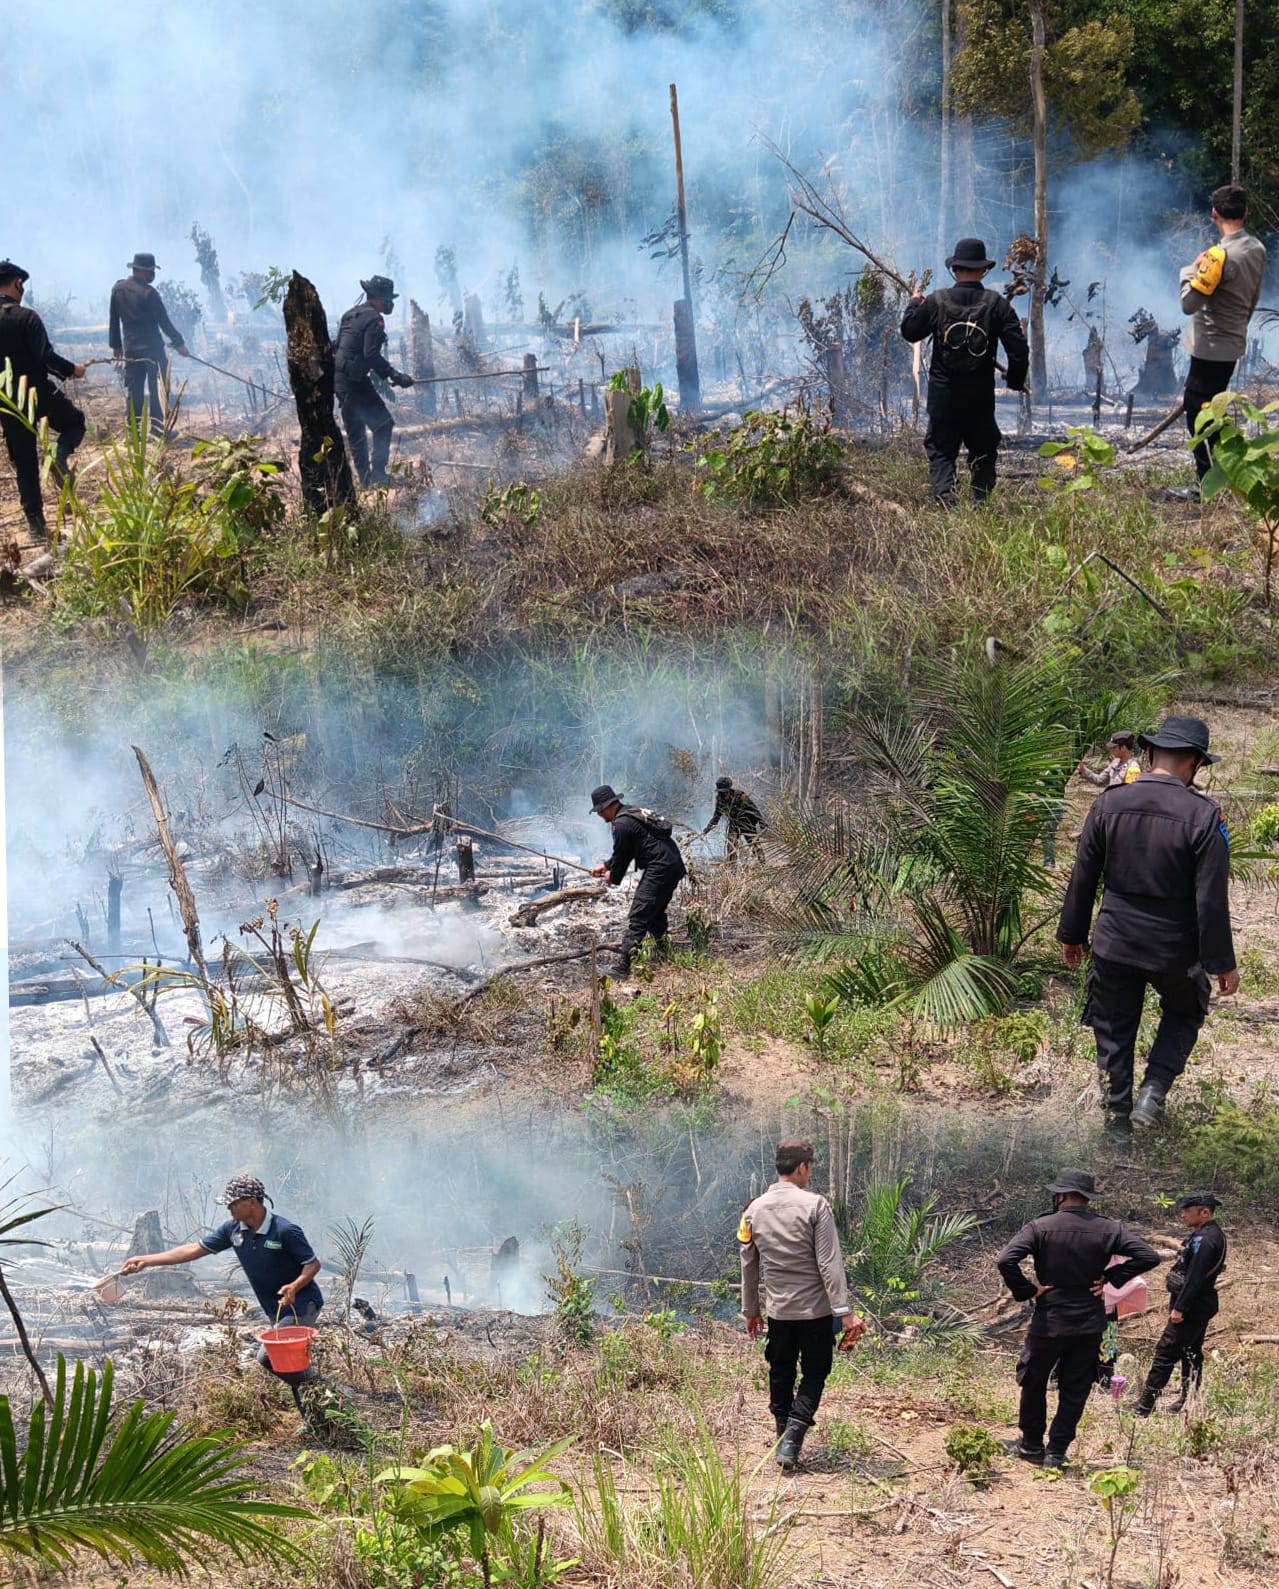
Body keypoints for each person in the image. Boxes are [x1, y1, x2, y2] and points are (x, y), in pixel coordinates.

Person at [1057, 715, 1239, 1136]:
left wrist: (1072, 936)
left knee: (1114, 1030)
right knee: (1185, 1009)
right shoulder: (1206, 817)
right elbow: (1211, 900)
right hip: (1174, 951)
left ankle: (1117, 1124)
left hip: (1115, 943)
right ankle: (1152, 1094)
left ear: (1152, 753)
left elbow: (1082, 877)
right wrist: (1221, 963)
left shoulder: (1108, 804)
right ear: (1195, 763)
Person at [996, 1169, 1159, 1468]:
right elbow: (1149, 1256)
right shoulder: (1110, 1229)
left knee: (1033, 1380)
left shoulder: (1039, 1226)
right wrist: (1110, 1278)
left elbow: (1005, 1260)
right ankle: (1057, 1452)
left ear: (1060, 1195)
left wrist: (1028, 1290)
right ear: (1087, 1198)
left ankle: (1032, 1445)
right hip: (1089, 1321)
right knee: (1076, 1387)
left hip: (1050, 1319)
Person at [120, 1173, 323, 1409]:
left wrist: (294, 1286)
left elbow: (312, 1263)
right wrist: (147, 1260)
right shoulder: (233, 1230)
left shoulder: (285, 1230)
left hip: (300, 1304)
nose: (229, 1208)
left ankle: (325, 1389)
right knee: (290, 1362)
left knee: (268, 1357)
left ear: (253, 1202)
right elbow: (195, 1249)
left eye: (233, 1203)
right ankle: (317, 1416)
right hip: (275, 1309)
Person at [739, 1140, 867, 1471]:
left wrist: (751, 1310)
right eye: (810, 1168)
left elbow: (748, 1265)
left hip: (778, 1312)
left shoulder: (753, 1210)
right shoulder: (815, 1206)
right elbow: (829, 1263)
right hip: (816, 1313)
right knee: (815, 1372)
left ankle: (784, 1437)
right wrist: (844, 1311)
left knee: (780, 1372)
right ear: (802, 1168)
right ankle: (793, 1438)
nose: (809, 1174)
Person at [900, 237, 1029, 507]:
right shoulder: (997, 305)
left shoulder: (936, 301)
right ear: (983, 270)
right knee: (982, 452)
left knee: (941, 453)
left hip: (943, 397)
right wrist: (1015, 380)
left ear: (955, 269)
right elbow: (1018, 349)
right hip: (979, 399)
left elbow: (910, 331)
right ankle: (980, 505)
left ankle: (946, 504)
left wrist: (914, 303)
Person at [1178, 184, 1267, 483]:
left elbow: (1189, 304)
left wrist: (1188, 271)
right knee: (1212, 408)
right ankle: (1225, 474)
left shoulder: (1217, 257)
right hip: (1233, 340)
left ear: (1214, 213)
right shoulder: (1257, 248)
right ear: (1246, 213)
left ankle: (1208, 481)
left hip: (1210, 347)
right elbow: (1253, 297)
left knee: (1199, 412)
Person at [0, 260, 86, 540]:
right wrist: (71, 370)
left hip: (7, 400)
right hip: (38, 393)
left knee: (24, 462)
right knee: (75, 422)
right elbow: (45, 357)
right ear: (17, 284)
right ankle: (60, 457)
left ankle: (36, 528)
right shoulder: (26, 317)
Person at [1129, 1192, 1226, 1416]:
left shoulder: (1208, 1239)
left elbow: (1195, 1277)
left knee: (1166, 1350)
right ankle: (1188, 1397)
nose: (1182, 1215)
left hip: (1192, 1306)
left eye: (1187, 1211)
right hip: (1198, 1304)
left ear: (1205, 1212)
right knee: (1190, 1351)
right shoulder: (1203, 1234)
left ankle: (1145, 1404)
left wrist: (1180, 1308)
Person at [589, 783, 687, 977]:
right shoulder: (630, 814)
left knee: (639, 913)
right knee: (654, 912)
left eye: (600, 811)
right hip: (671, 865)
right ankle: (664, 954)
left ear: (608, 806)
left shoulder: (622, 824)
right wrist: (607, 866)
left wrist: (612, 876)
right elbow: (627, 850)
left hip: (661, 868)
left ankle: (622, 968)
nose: (600, 816)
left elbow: (623, 856)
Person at [333, 274, 414, 486]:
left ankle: (366, 481)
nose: (390, 303)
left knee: (356, 432)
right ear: (377, 298)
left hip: (342, 381)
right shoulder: (374, 320)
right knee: (384, 425)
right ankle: (377, 475)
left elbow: (337, 347)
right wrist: (395, 375)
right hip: (355, 383)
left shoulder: (350, 314)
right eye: (388, 299)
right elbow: (370, 354)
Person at [108, 252, 190, 436]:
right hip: (153, 351)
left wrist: (116, 348)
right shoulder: (150, 294)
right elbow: (164, 322)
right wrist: (179, 343)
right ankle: (157, 430)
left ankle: (133, 432)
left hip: (131, 350)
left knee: (134, 390)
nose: (153, 274)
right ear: (145, 271)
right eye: (152, 271)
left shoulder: (118, 289)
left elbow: (113, 320)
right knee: (158, 390)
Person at [702, 775, 765, 857]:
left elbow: (754, 809)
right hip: (734, 824)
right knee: (731, 847)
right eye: (720, 792)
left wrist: (761, 822)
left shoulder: (740, 796)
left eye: (724, 792)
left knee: (754, 845)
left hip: (746, 823)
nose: (722, 795)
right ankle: (732, 868)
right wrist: (707, 830)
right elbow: (716, 817)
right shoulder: (719, 800)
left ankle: (763, 864)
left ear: (729, 790)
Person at [1077, 733, 1142, 790]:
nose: (1111, 750)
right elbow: (1100, 780)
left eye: (1114, 748)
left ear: (1123, 748)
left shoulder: (1133, 768)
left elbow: (1131, 794)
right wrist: (1083, 770)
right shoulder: (1115, 763)